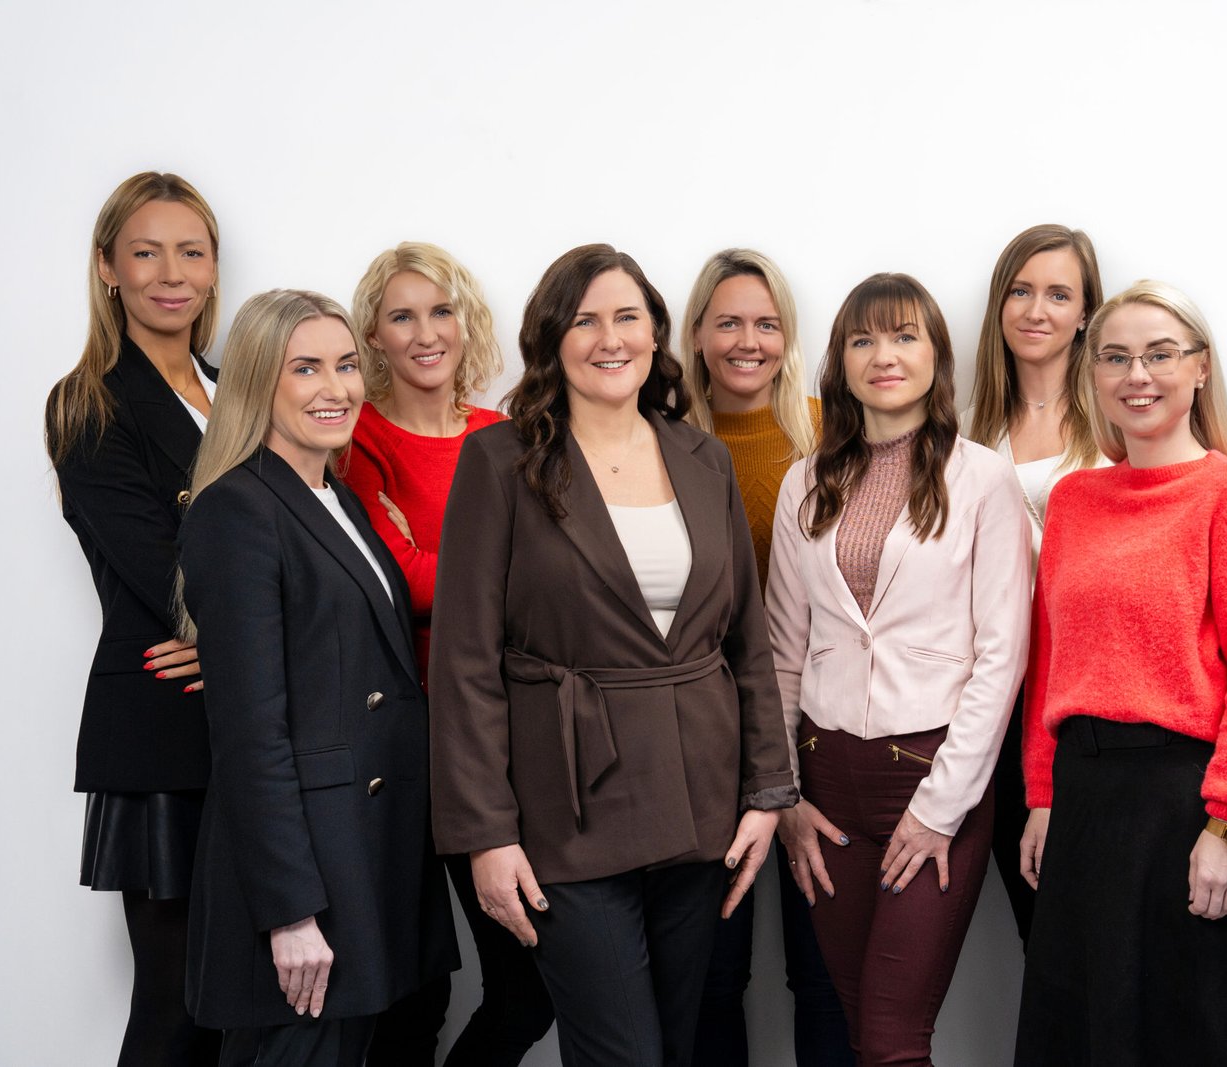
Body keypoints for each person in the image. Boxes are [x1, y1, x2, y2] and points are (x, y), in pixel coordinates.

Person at [429, 243, 798, 1067]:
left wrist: (767, 789)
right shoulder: (499, 462)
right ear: (550, 338)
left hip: (699, 804)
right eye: (585, 320)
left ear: (656, 333)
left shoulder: (702, 457)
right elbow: (464, 664)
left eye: (627, 316)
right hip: (565, 809)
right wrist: (486, 834)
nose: (610, 338)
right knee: (621, 1053)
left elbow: (747, 640)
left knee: (675, 1044)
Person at [1015, 280, 1227, 1066]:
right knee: (1088, 1032)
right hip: (1083, 804)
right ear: (1093, 373)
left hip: (1186, 807)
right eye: (1115, 357)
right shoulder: (1073, 499)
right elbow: (1050, 658)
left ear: (1200, 367)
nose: (1136, 374)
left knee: (1188, 1034)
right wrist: (1042, 795)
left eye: (1159, 354)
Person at [177, 289, 459, 1066]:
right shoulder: (237, 508)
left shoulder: (338, 499)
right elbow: (250, 735)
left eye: (345, 365)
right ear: (257, 381)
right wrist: (290, 910)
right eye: (305, 368)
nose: (335, 388)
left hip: (373, 849)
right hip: (313, 872)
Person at [768, 272, 1033, 1066]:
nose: (884, 355)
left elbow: (1001, 654)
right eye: (864, 339)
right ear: (841, 363)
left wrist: (942, 808)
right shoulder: (805, 479)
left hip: (930, 776)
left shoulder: (983, 477)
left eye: (904, 335)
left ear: (936, 355)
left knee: (892, 1038)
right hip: (825, 786)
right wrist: (785, 797)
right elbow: (782, 651)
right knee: (860, 1028)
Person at [343, 242, 553, 1067]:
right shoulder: (357, 436)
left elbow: (546, 579)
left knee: (527, 992)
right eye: (402, 316)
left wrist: (451, 565)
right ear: (374, 335)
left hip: (500, 741)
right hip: (402, 747)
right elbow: (398, 584)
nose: (426, 333)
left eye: (441, 311)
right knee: (411, 993)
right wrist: (497, 572)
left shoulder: (503, 435)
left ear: (467, 323)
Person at [44, 171, 223, 1066]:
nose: (171, 273)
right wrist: (252, 641)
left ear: (214, 266)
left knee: (250, 1003)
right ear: (108, 266)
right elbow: (164, 570)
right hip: (162, 725)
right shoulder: (89, 401)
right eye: (146, 252)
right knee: (178, 1003)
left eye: (191, 251)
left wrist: (245, 650)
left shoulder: (240, 389)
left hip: (254, 723)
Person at [679, 249, 851, 1067]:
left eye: (767, 324)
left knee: (825, 971)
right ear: (696, 335)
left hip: (821, 726)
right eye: (729, 323)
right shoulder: (662, 441)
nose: (749, 342)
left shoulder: (832, 434)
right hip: (704, 738)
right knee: (714, 973)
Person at [963, 223, 1106, 951]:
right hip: (998, 698)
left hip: (1091, 698)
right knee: (1040, 927)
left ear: (1086, 313)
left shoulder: (1118, 421)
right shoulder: (965, 432)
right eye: (1020, 291)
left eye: (1058, 294)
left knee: (1099, 928)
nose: (1036, 310)